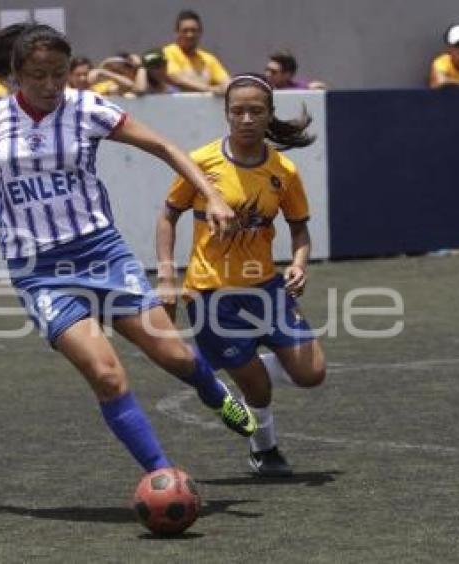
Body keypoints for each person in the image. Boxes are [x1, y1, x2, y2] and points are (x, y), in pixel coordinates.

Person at [0, 24, 257, 475]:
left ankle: (215, 394)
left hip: (101, 253)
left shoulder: (87, 108)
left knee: (173, 356)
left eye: (60, 73)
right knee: (107, 375)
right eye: (39, 76)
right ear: (15, 74)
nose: (52, 85)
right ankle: (162, 475)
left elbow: (164, 146)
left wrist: (210, 195)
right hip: (39, 271)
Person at [156, 73, 327, 477]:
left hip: (267, 288)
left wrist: (299, 264)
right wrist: (167, 275)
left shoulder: (283, 171)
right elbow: (167, 217)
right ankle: (264, 451)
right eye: (238, 111)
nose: (246, 118)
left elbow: (299, 229)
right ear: (226, 114)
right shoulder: (200, 163)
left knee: (312, 373)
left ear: (269, 115)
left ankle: (223, 362)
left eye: (256, 111)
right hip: (210, 292)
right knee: (258, 389)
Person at [162, 10, 230, 94]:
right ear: (176, 32)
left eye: (193, 30)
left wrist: (226, 88)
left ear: (200, 32)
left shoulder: (208, 59)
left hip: (205, 106)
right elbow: (176, 79)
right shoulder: (168, 52)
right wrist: (210, 89)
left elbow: (226, 82)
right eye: (185, 30)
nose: (190, 35)